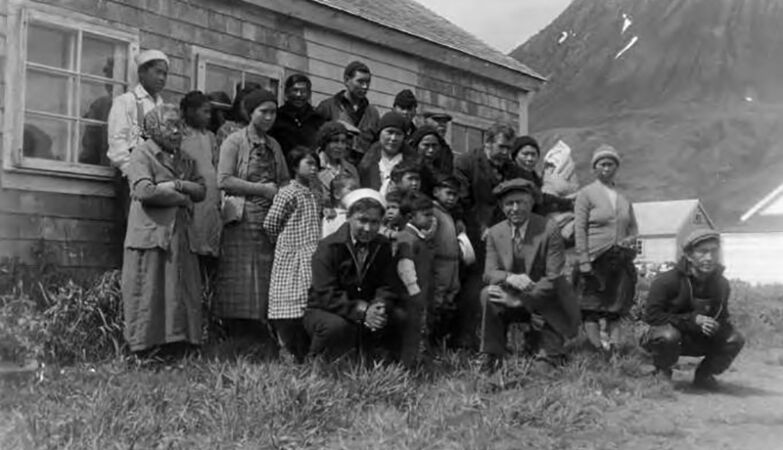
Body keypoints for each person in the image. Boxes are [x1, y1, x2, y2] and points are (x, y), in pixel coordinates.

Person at [121, 104, 206, 356]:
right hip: (151, 232)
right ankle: (142, 350)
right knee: (148, 289)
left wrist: (177, 184)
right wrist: (181, 198)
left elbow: (201, 190)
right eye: (171, 125)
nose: (177, 130)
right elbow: (144, 191)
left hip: (179, 234)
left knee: (179, 290)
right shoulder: (141, 154)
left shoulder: (186, 159)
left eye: (180, 125)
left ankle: (178, 346)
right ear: (154, 129)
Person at [478, 179, 580, 372]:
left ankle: (548, 347)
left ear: (531, 203)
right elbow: (489, 272)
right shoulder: (495, 232)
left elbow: (554, 278)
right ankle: (492, 353)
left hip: (547, 303)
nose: (515, 209)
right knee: (488, 293)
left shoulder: (549, 229)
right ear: (501, 206)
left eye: (521, 202)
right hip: (512, 294)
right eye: (509, 204)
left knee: (542, 370)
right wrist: (509, 277)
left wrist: (519, 301)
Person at [215, 89, 289, 340]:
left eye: (273, 112)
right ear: (250, 112)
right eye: (263, 112)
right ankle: (236, 332)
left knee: (266, 274)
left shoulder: (274, 145)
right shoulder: (234, 141)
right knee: (242, 273)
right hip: (242, 218)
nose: (269, 117)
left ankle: (261, 331)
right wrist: (261, 189)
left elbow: (284, 180)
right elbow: (224, 180)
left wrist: (277, 195)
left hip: (269, 219)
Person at [303, 189, 409, 361]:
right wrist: (362, 310)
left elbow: (388, 284)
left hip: (368, 307)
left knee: (398, 317)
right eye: (362, 220)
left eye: (374, 222)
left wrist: (379, 305)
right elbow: (325, 293)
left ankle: (381, 363)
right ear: (348, 217)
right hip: (326, 309)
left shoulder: (382, 246)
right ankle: (319, 364)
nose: (368, 228)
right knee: (336, 326)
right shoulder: (329, 247)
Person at [641, 229, 745, 389]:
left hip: (699, 338)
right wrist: (692, 320)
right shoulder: (667, 281)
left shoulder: (722, 284)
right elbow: (652, 316)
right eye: (702, 252)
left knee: (735, 338)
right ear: (689, 256)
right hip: (668, 338)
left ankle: (704, 375)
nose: (709, 258)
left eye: (714, 251)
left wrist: (718, 325)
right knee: (668, 336)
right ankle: (662, 372)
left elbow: (723, 316)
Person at [453, 122, 520, 349]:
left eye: (509, 148)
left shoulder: (512, 169)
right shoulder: (466, 163)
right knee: (472, 288)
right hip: (473, 237)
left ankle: (496, 339)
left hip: (502, 238)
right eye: (501, 147)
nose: (505, 153)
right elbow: (462, 200)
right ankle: (465, 339)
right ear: (487, 143)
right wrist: (481, 227)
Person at [574, 145, 639, 353]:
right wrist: (584, 260)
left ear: (616, 168)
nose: (606, 168)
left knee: (615, 308)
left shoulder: (623, 198)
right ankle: (596, 351)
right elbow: (580, 228)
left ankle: (615, 351)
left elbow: (633, 228)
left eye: (611, 164)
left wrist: (630, 241)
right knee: (591, 307)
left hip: (619, 259)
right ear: (595, 168)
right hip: (594, 258)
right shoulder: (586, 194)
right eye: (602, 164)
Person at [264, 147, 322, 362]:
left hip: (311, 254)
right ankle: (285, 348)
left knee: (305, 304)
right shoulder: (288, 192)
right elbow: (271, 223)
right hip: (290, 255)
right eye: (309, 164)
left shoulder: (315, 193)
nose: (314, 168)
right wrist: (283, 244)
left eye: (316, 164)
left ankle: (303, 351)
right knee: (285, 303)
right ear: (295, 167)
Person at [107, 49, 168, 225]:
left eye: (165, 74)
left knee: (155, 230)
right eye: (158, 72)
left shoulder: (163, 107)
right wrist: (133, 173)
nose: (162, 78)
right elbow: (117, 142)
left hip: (158, 176)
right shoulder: (127, 101)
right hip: (133, 176)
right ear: (142, 72)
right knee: (134, 228)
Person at [179, 91, 222, 278]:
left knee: (209, 240)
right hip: (191, 194)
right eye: (204, 112)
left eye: (210, 112)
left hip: (211, 195)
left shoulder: (210, 137)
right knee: (191, 240)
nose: (209, 116)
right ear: (190, 111)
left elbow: (216, 163)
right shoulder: (180, 135)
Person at [396, 191, 436, 367]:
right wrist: (415, 292)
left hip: (421, 293)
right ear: (411, 216)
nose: (430, 219)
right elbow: (405, 268)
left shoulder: (418, 237)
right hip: (412, 296)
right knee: (411, 331)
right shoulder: (407, 238)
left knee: (420, 328)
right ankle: (407, 366)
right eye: (426, 215)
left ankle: (418, 363)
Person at [316, 61, 380, 155]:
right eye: (360, 82)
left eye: (367, 82)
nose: (365, 86)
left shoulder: (373, 113)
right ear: (346, 80)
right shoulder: (328, 107)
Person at [429, 174, 462, 343]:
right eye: (448, 193)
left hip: (453, 263)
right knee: (437, 300)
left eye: (455, 195)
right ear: (436, 191)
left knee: (450, 300)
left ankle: (442, 339)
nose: (451, 198)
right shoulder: (432, 212)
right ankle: (430, 339)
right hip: (440, 263)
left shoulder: (448, 214)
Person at [358, 111, 417, 196]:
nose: (393, 138)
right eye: (390, 132)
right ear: (380, 133)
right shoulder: (366, 164)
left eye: (398, 134)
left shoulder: (413, 163)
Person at [269, 74, 325, 156]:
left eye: (303, 91)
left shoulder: (317, 120)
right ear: (286, 92)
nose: (299, 95)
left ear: (309, 94)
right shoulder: (277, 117)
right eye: (295, 90)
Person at [316, 121, 360, 198]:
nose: (340, 146)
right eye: (335, 141)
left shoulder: (351, 170)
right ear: (324, 143)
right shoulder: (314, 166)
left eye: (343, 142)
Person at [409, 125, 452, 195]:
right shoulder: (409, 169)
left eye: (434, 145)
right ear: (416, 146)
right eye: (426, 145)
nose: (431, 150)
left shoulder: (444, 170)